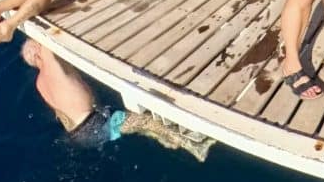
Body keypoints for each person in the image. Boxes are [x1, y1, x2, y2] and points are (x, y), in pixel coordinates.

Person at [20, 39, 211, 160]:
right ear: (37, 53)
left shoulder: (40, 83)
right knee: (145, 119)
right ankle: (194, 146)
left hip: (77, 135)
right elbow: (44, 40)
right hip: (93, 124)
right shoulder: (52, 65)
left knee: (136, 125)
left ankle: (167, 140)